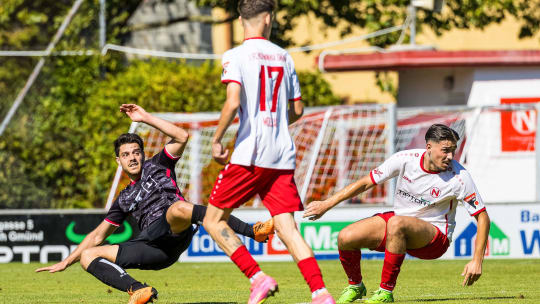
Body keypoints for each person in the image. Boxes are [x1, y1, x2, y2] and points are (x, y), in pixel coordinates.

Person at [36, 104, 274, 304]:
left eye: (136, 152)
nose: (132, 157)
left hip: (175, 230)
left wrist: (144, 117)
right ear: (118, 160)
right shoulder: (124, 198)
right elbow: (98, 234)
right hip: (152, 248)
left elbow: (182, 136)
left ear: (142, 153)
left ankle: (254, 231)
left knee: (178, 209)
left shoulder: (159, 164)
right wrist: (68, 260)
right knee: (88, 256)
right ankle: (138, 290)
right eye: (126, 154)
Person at [201, 1, 335, 304]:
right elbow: (298, 110)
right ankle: (320, 293)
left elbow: (233, 102)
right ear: (268, 19)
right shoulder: (284, 56)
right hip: (281, 155)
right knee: (288, 228)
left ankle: (257, 277)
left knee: (212, 220)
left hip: (250, 154)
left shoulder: (234, 55)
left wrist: (217, 139)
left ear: (240, 20)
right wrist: (275, 125)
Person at [304, 124, 490, 304]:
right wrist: (326, 204)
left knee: (396, 223)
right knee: (346, 237)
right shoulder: (405, 159)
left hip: (435, 238)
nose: (450, 156)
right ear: (428, 147)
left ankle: (385, 291)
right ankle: (355, 285)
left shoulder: (460, 177)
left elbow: (482, 217)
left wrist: (476, 260)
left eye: (453, 150)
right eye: (445, 150)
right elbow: (366, 183)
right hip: (399, 226)